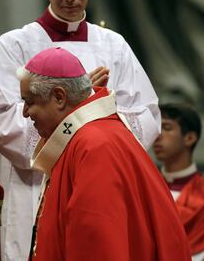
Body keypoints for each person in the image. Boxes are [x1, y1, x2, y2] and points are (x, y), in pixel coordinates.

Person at [0, 0, 160, 260]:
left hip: (100, 180)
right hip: (36, 185)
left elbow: (146, 115)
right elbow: (2, 122)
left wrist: (91, 104)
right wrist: (80, 102)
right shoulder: (14, 44)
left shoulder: (114, 45)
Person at [18, 46, 190, 260]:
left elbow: (98, 243)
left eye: (29, 102)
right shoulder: (84, 136)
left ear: (59, 97)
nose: (25, 113)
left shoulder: (95, 146)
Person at [153, 103, 204, 261]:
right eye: (156, 127)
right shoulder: (142, 187)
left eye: (167, 128)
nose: (157, 134)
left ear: (189, 138)